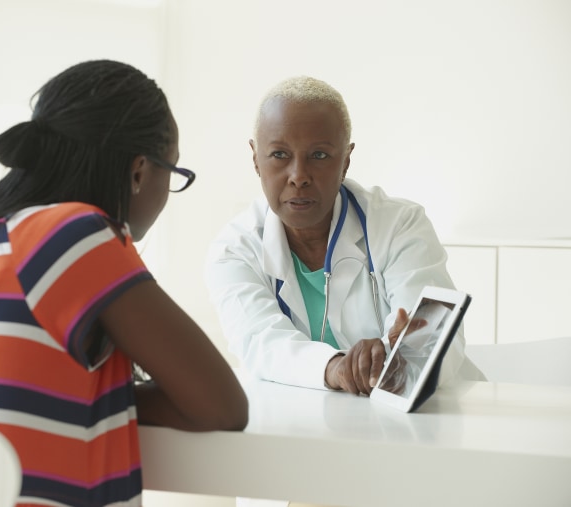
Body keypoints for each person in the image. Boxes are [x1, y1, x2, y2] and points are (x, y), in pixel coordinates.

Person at [0, 59, 248, 507]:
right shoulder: (78, 233)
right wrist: (96, 401)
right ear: (138, 171)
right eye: (172, 172)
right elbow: (222, 406)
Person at [205, 75, 482, 507]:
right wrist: (336, 367)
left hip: (409, 441)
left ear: (346, 160)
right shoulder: (235, 248)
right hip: (295, 448)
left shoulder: (399, 225)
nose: (298, 176)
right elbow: (260, 342)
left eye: (319, 155)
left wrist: (397, 357)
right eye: (279, 155)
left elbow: (432, 337)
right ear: (256, 158)